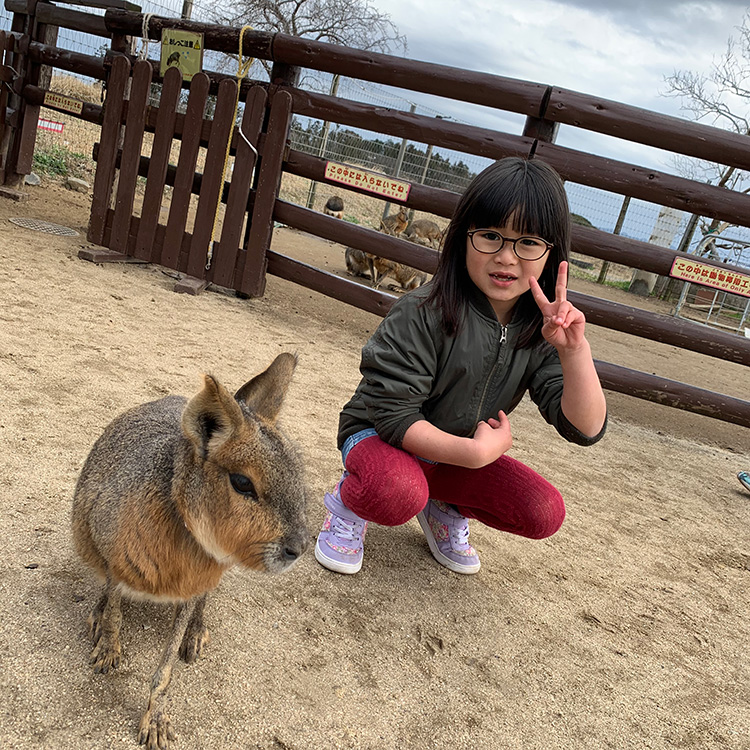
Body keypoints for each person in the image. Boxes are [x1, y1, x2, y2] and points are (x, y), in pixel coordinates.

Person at [315, 157, 608, 576]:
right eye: (490, 236)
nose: (506, 257)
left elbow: (585, 427)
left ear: (551, 252)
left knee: (543, 511)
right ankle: (350, 502)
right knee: (395, 491)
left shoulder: (540, 329)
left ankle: (442, 505)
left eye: (527, 242)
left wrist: (574, 350)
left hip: (454, 455)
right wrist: (472, 453)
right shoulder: (422, 309)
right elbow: (395, 417)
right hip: (381, 436)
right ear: (462, 237)